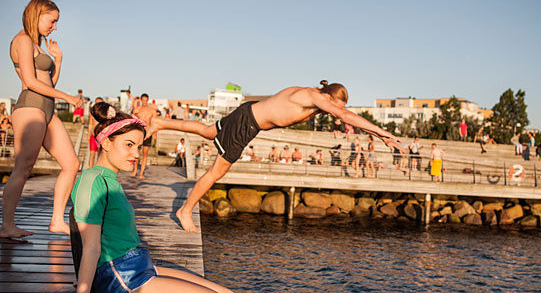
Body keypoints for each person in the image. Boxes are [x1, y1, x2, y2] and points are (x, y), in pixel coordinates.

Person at [46, 102, 243, 293]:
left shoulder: (110, 180)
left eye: (138, 146)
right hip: (123, 282)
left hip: (138, 266)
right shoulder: (91, 181)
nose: (136, 153)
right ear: (105, 142)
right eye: (128, 145)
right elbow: (91, 248)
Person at [145, 82, 402, 231]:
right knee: (216, 172)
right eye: (335, 106)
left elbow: (345, 117)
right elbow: (346, 117)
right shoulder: (314, 96)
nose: (334, 111)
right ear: (328, 97)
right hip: (246, 125)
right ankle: (185, 210)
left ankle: (158, 122)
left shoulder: (312, 97)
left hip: (247, 116)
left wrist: (381, 138)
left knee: (207, 130)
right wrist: (382, 130)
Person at [1, 0, 83, 239]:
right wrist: (67, 97)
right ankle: (7, 225)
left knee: (72, 164)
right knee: (23, 168)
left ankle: (57, 220)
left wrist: (57, 60)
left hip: (47, 108)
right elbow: (30, 82)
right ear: (37, 14)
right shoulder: (22, 40)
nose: (54, 27)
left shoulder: (36, 43)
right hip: (30, 108)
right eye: (52, 20)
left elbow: (49, 82)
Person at [130, 93, 158, 179]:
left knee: (145, 153)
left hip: (147, 133)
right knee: (136, 152)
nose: (144, 102)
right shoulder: (137, 110)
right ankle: (135, 170)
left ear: (148, 100)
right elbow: (132, 121)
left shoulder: (152, 111)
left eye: (146, 100)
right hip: (138, 132)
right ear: (141, 100)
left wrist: (154, 134)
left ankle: (141, 172)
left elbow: (154, 124)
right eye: (143, 100)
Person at [88, 97, 104, 169]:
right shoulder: (92, 113)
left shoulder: (103, 114)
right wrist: (89, 135)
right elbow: (90, 123)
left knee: (100, 154)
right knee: (92, 153)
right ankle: (90, 168)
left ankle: (98, 168)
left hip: (101, 136)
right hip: (93, 135)